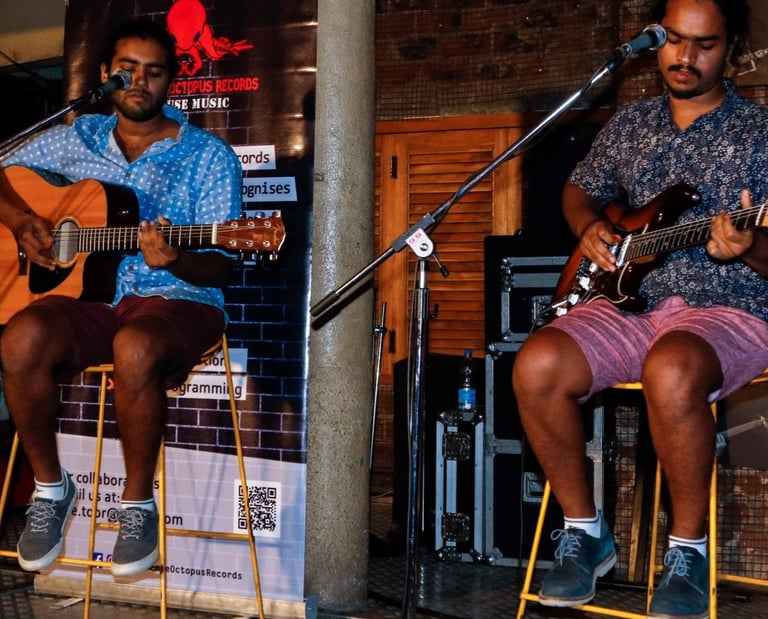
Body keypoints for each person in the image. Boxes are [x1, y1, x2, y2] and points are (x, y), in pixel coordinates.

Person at [512, 0, 768, 617]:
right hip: (629, 303)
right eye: (674, 39)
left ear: (731, 49)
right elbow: (581, 188)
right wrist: (588, 226)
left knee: (671, 367)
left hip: (729, 308)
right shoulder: (632, 123)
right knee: (537, 363)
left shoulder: (759, 133)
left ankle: (688, 552)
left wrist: (751, 245)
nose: (686, 56)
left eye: (705, 44)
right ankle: (585, 531)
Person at [0, 19, 242, 576]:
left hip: (176, 299)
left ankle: (136, 508)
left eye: (154, 72)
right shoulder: (75, 137)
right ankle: (51, 489)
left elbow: (221, 267)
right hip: (88, 300)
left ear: (171, 82)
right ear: (106, 74)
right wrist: (20, 222)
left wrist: (175, 258)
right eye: (127, 70)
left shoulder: (207, 156)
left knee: (135, 345)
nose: (139, 82)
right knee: (22, 337)